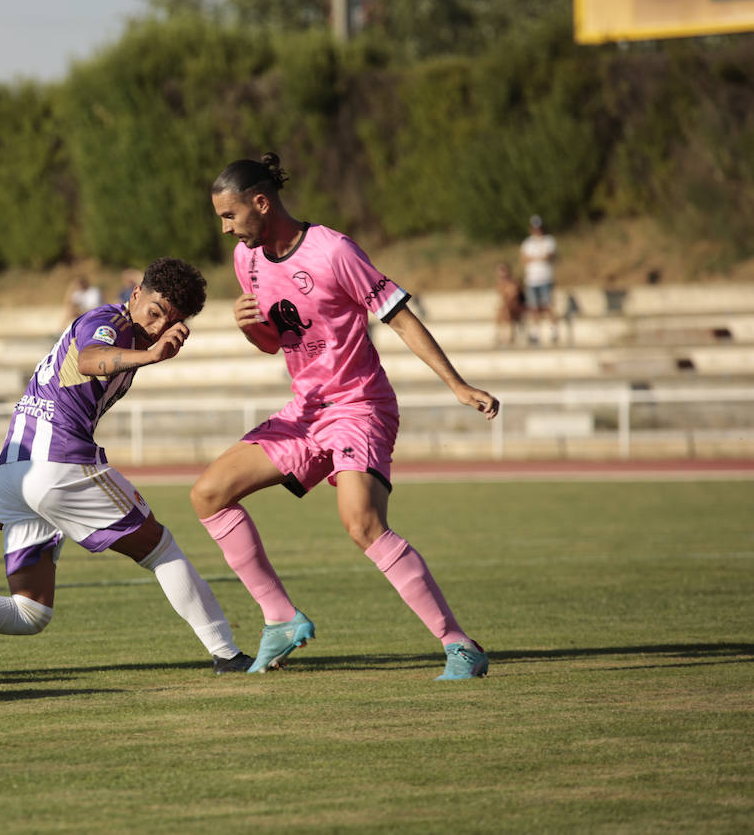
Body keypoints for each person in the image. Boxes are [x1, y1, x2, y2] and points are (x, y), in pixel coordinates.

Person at [0, 257, 254, 680]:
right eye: (156, 311)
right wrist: (150, 354)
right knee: (160, 549)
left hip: (16, 471)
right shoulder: (110, 322)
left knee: (31, 610)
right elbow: (91, 358)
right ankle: (228, 654)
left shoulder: (124, 329)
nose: (160, 326)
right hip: (59, 464)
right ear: (136, 294)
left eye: (173, 322)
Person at [191, 153, 498, 680]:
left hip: (360, 406)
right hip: (305, 412)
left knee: (361, 524)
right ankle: (281, 619)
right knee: (208, 494)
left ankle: (459, 645)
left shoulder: (333, 251)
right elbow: (275, 341)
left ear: (261, 203)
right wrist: (249, 328)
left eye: (230, 215)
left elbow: (401, 319)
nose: (225, 228)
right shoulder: (249, 259)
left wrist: (457, 385)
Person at [520, 214, 559, 345]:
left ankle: (554, 332)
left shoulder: (549, 240)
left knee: (548, 306)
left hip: (545, 279)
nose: (537, 230)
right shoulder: (527, 243)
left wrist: (534, 258)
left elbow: (549, 256)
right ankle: (535, 333)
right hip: (531, 280)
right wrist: (540, 257)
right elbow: (524, 259)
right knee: (533, 308)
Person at [493, 262, 525, 347]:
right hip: (507, 307)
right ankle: (502, 336)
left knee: (505, 311)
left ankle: (507, 337)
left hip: (517, 306)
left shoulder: (513, 283)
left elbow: (514, 297)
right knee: (502, 312)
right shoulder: (499, 284)